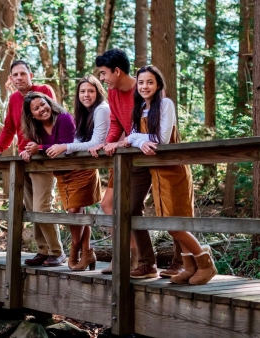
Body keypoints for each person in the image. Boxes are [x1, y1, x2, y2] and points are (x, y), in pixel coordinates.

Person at [90, 49, 183, 278]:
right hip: (133, 154)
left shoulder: (144, 89)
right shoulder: (113, 93)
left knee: (173, 208)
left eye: (103, 74)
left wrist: (128, 140)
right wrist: (109, 144)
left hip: (159, 153)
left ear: (117, 71)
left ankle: (181, 262)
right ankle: (145, 263)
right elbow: (116, 123)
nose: (102, 79)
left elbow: (159, 132)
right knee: (127, 208)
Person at [124, 65, 217, 285]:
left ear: (158, 85)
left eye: (150, 82)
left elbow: (161, 139)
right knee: (170, 223)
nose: (145, 86)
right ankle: (189, 266)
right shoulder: (138, 109)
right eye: (141, 82)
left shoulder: (165, 104)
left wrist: (137, 138)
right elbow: (131, 137)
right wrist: (137, 139)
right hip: (156, 173)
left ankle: (206, 265)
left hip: (173, 170)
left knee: (176, 223)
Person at [0, 60, 66, 267]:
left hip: (42, 158)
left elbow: (52, 119)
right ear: (11, 79)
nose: (19, 77)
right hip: (23, 160)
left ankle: (57, 251)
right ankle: (43, 251)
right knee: (32, 209)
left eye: (23, 73)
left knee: (42, 207)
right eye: (15, 75)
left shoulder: (43, 90)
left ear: (31, 74)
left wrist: (38, 147)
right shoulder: (14, 99)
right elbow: (8, 128)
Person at [20, 91, 102, 271]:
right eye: (36, 108)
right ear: (31, 115)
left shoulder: (63, 118)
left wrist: (39, 148)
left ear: (49, 102)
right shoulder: (36, 129)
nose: (42, 109)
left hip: (79, 169)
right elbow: (33, 147)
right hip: (62, 174)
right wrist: (27, 151)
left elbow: (65, 146)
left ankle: (73, 253)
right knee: (76, 213)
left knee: (74, 211)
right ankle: (88, 252)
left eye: (43, 104)